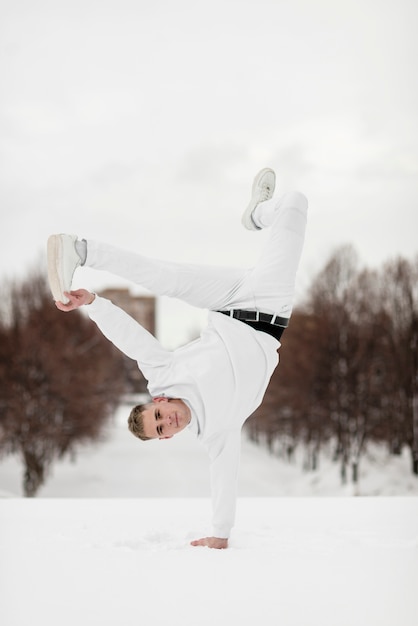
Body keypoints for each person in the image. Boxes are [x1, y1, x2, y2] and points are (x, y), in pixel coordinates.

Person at [47, 168, 308, 549]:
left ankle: (81, 249)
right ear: (169, 437)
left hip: (228, 299)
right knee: (297, 202)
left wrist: (94, 304)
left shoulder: (164, 375)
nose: (165, 421)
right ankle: (257, 215)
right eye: (162, 429)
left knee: (164, 276)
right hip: (271, 304)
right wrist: (220, 535)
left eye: (157, 416)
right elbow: (225, 478)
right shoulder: (218, 431)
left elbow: (132, 340)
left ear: (159, 401)